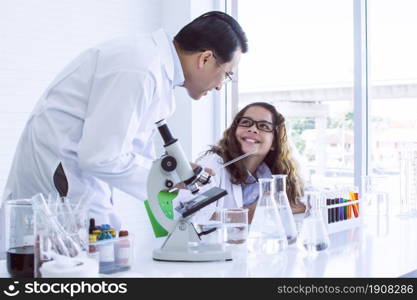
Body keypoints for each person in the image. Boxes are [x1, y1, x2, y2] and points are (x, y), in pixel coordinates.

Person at [0, 11, 248, 232]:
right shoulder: (140, 68)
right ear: (205, 58)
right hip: (57, 189)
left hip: (76, 184)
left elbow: (128, 153)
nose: (219, 88)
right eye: (226, 75)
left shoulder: (158, 73)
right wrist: (166, 179)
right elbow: (101, 157)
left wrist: (172, 175)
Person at [175, 102, 305, 223]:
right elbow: (188, 213)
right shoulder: (213, 165)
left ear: (274, 143)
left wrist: (281, 207)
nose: (253, 129)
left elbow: (304, 199)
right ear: (234, 131)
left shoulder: (269, 174)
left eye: (264, 126)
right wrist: (250, 214)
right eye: (246, 122)